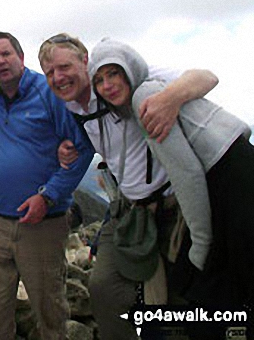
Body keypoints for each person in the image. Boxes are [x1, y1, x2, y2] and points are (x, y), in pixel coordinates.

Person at [38, 34, 219, 340]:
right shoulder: (72, 109)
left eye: (64, 66)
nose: (58, 77)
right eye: (50, 72)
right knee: (104, 287)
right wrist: (65, 148)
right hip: (128, 207)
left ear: (85, 61)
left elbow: (206, 77)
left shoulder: (118, 82)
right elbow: (87, 140)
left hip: (173, 203)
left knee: (182, 291)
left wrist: (170, 99)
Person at [89, 39, 253, 309]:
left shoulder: (147, 100)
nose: (107, 85)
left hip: (232, 187)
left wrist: (200, 245)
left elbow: (187, 173)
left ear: (129, 69)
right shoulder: (155, 91)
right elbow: (238, 130)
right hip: (236, 169)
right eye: (99, 80)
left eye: (114, 73)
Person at [0, 32, 94, 340]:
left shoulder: (49, 93)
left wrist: (48, 197)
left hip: (43, 221)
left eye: (6, 54)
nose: (1, 62)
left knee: (49, 308)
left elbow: (82, 148)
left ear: (21, 57)